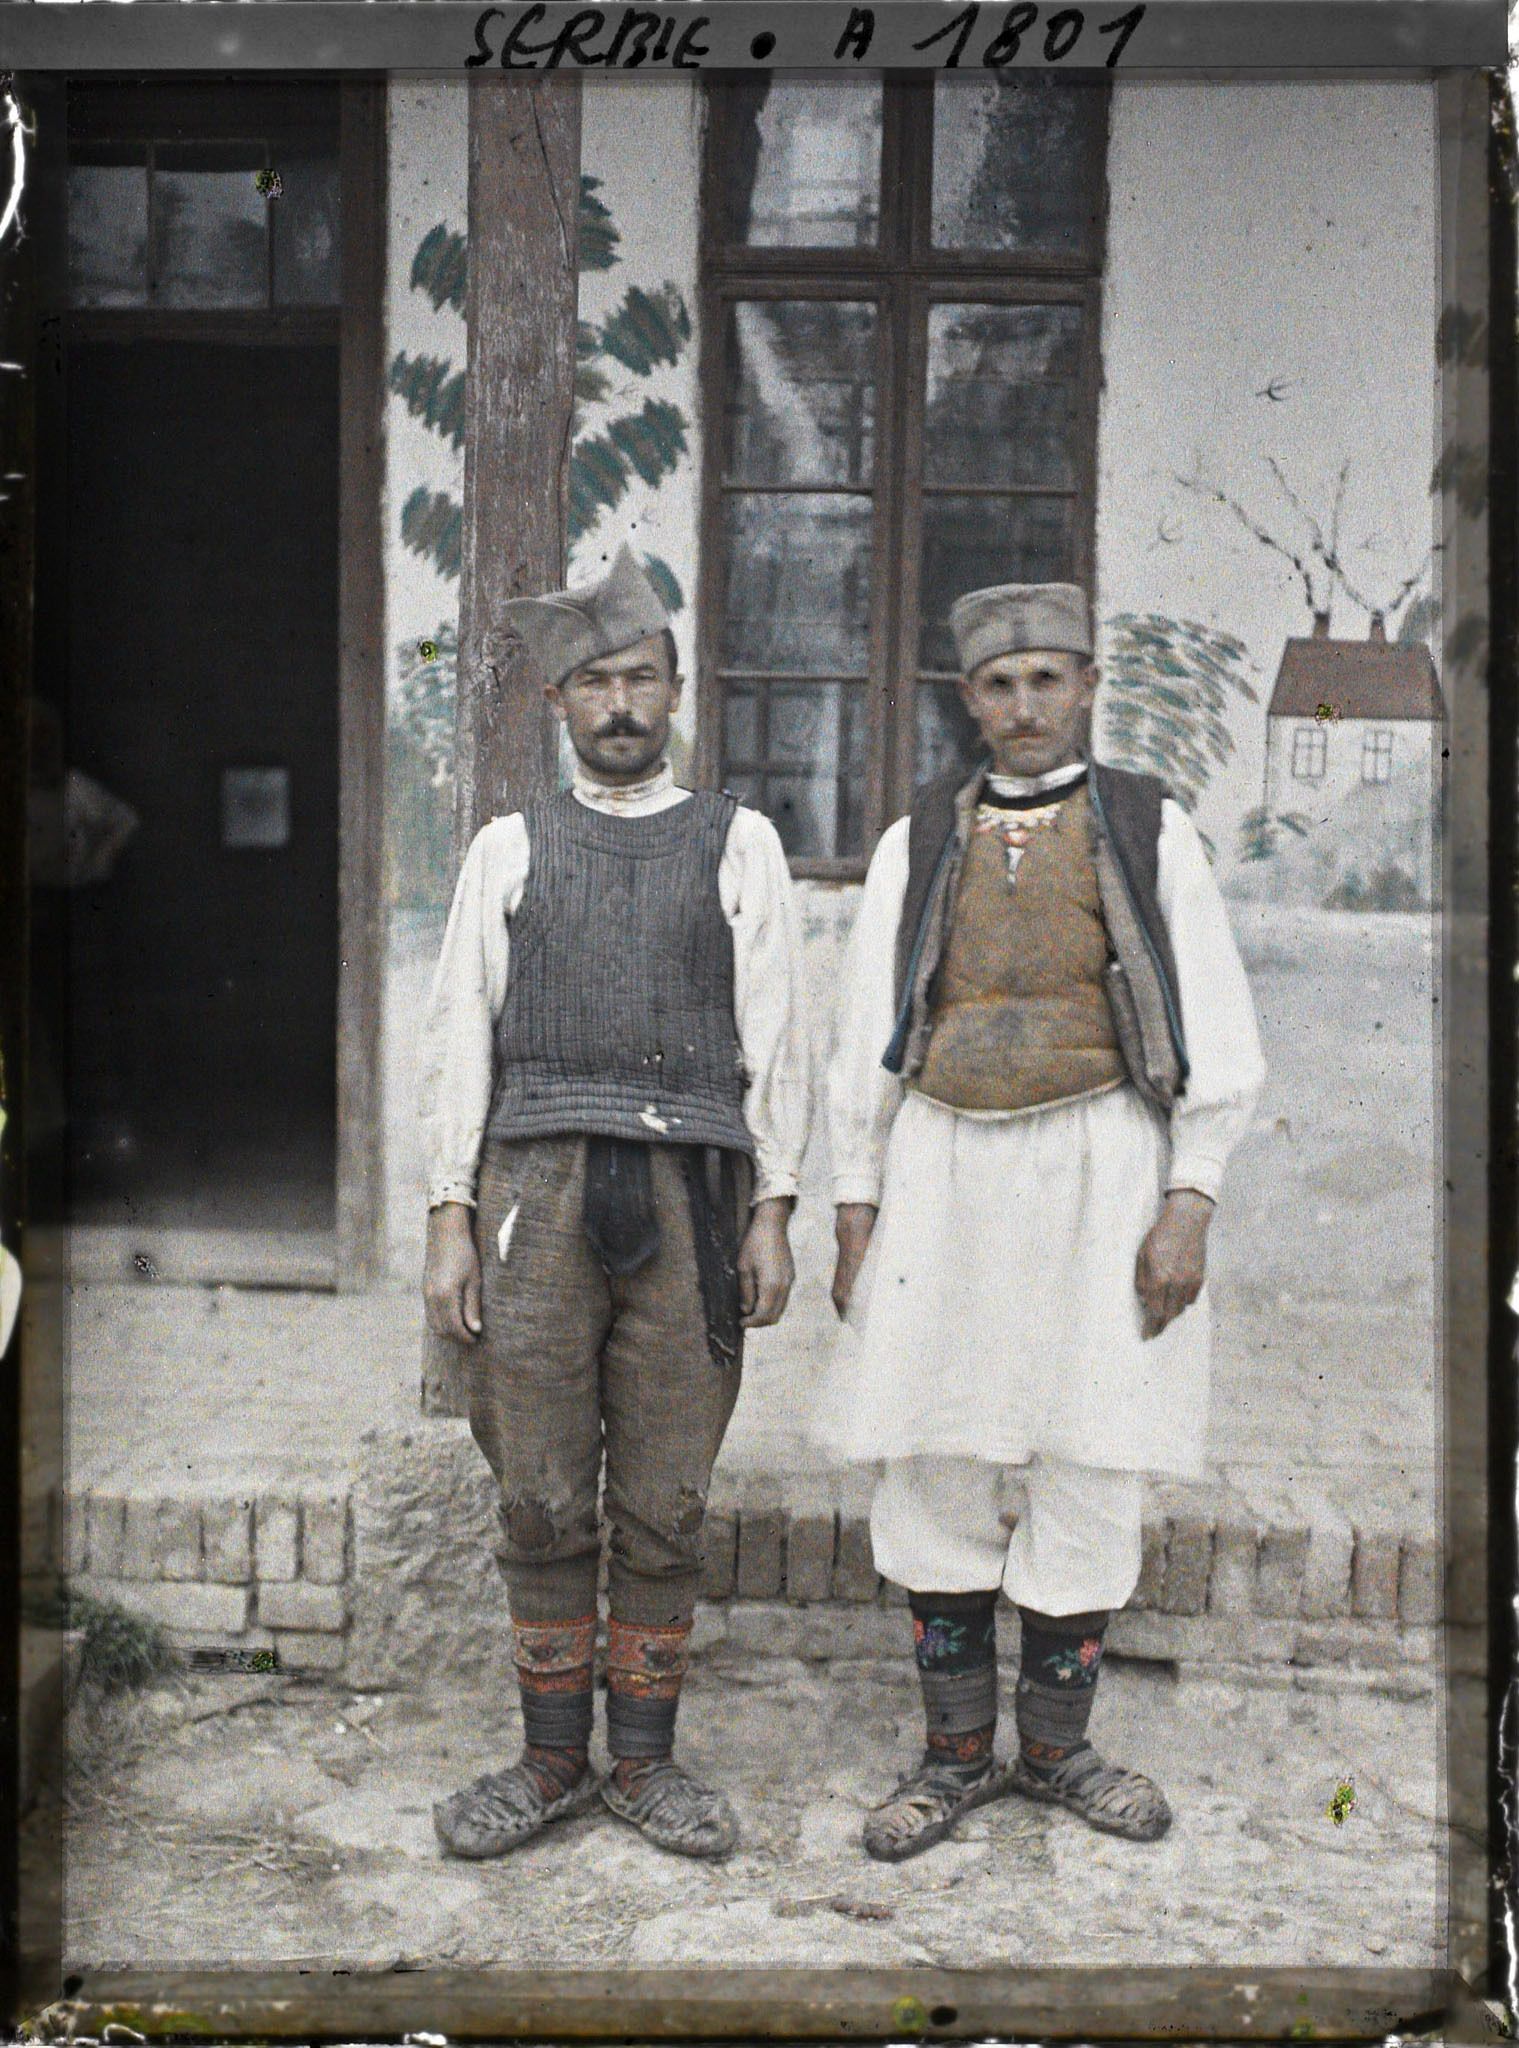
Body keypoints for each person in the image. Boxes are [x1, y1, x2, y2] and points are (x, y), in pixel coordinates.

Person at [819, 580, 1265, 1862]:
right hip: (944, 1168)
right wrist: (856, 1207)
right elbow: (866, 1041)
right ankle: (955, 1754)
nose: (1025, 705)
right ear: (971, 700)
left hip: (1101, 1166)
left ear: (1085, 687)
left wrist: (1190, 1200)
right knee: (932, 1450)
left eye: (1048, 680)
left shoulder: (1145, 824)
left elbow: (1220, 1030)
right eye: (1000, 686)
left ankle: (1059, 1751)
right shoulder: (918, 838)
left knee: (1088, 1451)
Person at [419, 547, 811, 1863]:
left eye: (641, 677)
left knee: (665, 1494)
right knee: (535, 1484)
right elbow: (453, 1037)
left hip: (693, 1197)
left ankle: (641, 1768)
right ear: (557, 704)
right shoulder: (509, 846)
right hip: (534, 1188)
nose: (621, 703)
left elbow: (780, 1043)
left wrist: (775, 1206)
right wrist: (446, 1211)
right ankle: (544, 1762)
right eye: (593, 682)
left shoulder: (737, 842)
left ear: (676, 689)